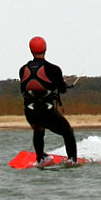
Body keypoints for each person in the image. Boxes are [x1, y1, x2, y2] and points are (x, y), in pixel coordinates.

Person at [19, 36, 77, 165]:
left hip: (30, 112)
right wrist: (63, 84)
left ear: (30, 50)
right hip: (47, 112)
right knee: (68, 132)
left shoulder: (23, 70)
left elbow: (24, 89)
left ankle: (40, 159)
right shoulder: (54, 69)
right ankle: (72, 160)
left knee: (38, 129)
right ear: (45, 49)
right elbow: (62, 90)